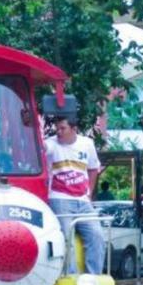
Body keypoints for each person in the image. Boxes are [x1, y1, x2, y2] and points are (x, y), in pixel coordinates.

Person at [44, 113, 104, 275]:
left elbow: (93, 168)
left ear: (74, 129)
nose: (59, 132)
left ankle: (93, 278)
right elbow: (41, 147)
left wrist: (89, 192)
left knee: (97, 235)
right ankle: (71, 277)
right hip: (60, 199)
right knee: (66, 238)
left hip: (83, 200)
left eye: (63, 128)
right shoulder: (51, 145)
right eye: (57, 128)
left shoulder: (87, 144)